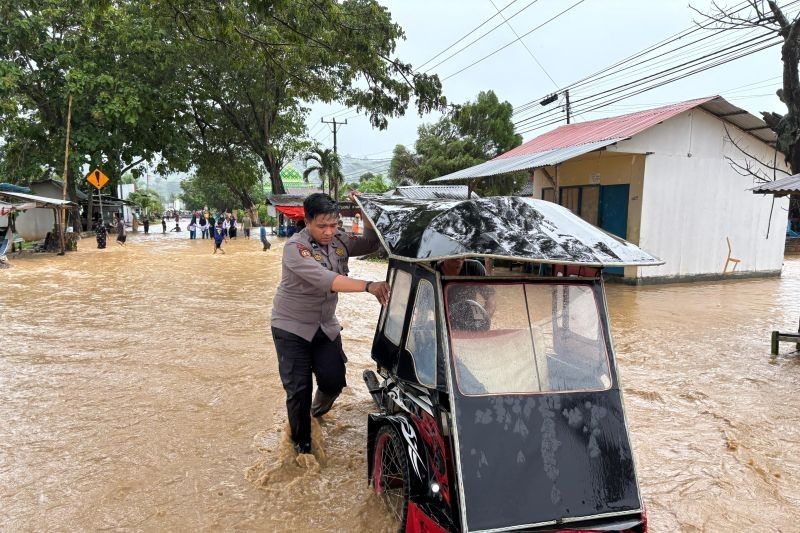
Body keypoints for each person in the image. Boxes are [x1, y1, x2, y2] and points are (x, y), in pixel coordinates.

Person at [271, 193, 389, 455]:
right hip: (292, 327)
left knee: (334, 381)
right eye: (322, 226)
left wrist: (364, 210)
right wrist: (369, 286)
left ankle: (315, 415)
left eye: (333, 225)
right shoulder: (295, 248)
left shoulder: (339, 241)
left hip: (325, 326)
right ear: (307, 221)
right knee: (299, 389)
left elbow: (372, 242)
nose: (328, 232)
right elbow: (328, 280)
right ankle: (302, 448)